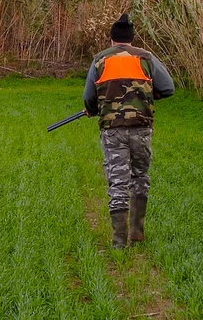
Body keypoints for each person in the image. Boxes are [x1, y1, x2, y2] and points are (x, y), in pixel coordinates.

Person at [83, 13, 175, 248]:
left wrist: (93, 109)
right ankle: (137, 231)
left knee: (118, 180)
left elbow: (89, 98)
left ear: (112, 39)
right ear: (131, 38)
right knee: (140, 177)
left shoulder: (100, 60)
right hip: (142, 128)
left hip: (113, 130)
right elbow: (167, 88)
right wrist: (145, 95)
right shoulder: (146, 57)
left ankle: (119, 240)